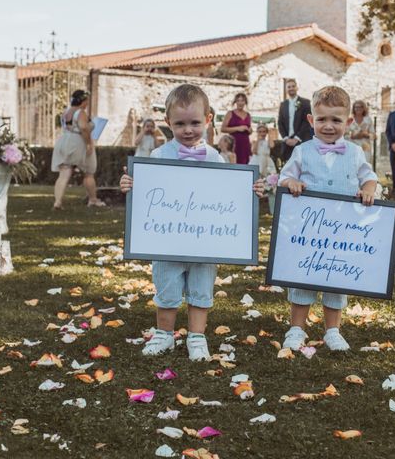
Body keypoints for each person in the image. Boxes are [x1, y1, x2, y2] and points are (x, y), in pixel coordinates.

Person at [119, 84, 264, 361]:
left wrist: (250, 190)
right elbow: (146, 192)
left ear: (209, 119)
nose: (188, 130)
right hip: (167, 240)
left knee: (201, 288)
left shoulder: (214, 157)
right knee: (167, 287)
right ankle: (164, 334)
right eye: (180, 124)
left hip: (205, 242)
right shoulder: (158, 157)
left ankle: (197, 336)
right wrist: (130, 184)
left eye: (195, 123)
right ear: (168, 123)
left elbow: (228, 194)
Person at [278, 85, 378, 352]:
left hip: (340, 233)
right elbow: (284, 177)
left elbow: (369, 177)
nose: (329, 126)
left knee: (336, 279)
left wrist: (368, 190)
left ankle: (332, 330)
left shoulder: (356, 153)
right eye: (322, 119)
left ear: (347, 121)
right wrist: (292, 183)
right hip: (308, 231)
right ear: (311, 120)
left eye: (336, 120)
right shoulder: (302, 151)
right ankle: (296, 328)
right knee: (303, 278)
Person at [51, 90, 105, 209]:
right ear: (83, 101)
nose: (87, 103)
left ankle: (58, 201)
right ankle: (93, 199)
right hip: (77, 141)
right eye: (86, 101)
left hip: (64, 141)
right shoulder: (81, 113)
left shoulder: (66, 112)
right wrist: (88, 144)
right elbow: (83, 128)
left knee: (64, 172)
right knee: (89, 172)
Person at [277, 79, 312, 162]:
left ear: (297, 88)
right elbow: (280, 122)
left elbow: (306, 122)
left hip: (301, 140)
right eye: (289, 87)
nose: (291, 88)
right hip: (287, 142)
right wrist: (286, 138)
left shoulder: (305, 103)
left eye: (293, 86)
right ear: (286, 89)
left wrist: (296, 138)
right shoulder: (283, 105)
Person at [221, 93, 252, 164]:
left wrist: (250, 130)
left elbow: (249, 129)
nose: (240, 103)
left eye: (242, 100)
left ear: (245, 102)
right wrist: (238, 128)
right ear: (235, 102)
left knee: (245, 164)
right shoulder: (230, 113)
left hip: (245, 143)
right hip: (234, 143)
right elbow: (223, 129)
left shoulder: (248, 115)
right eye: (238, 100)